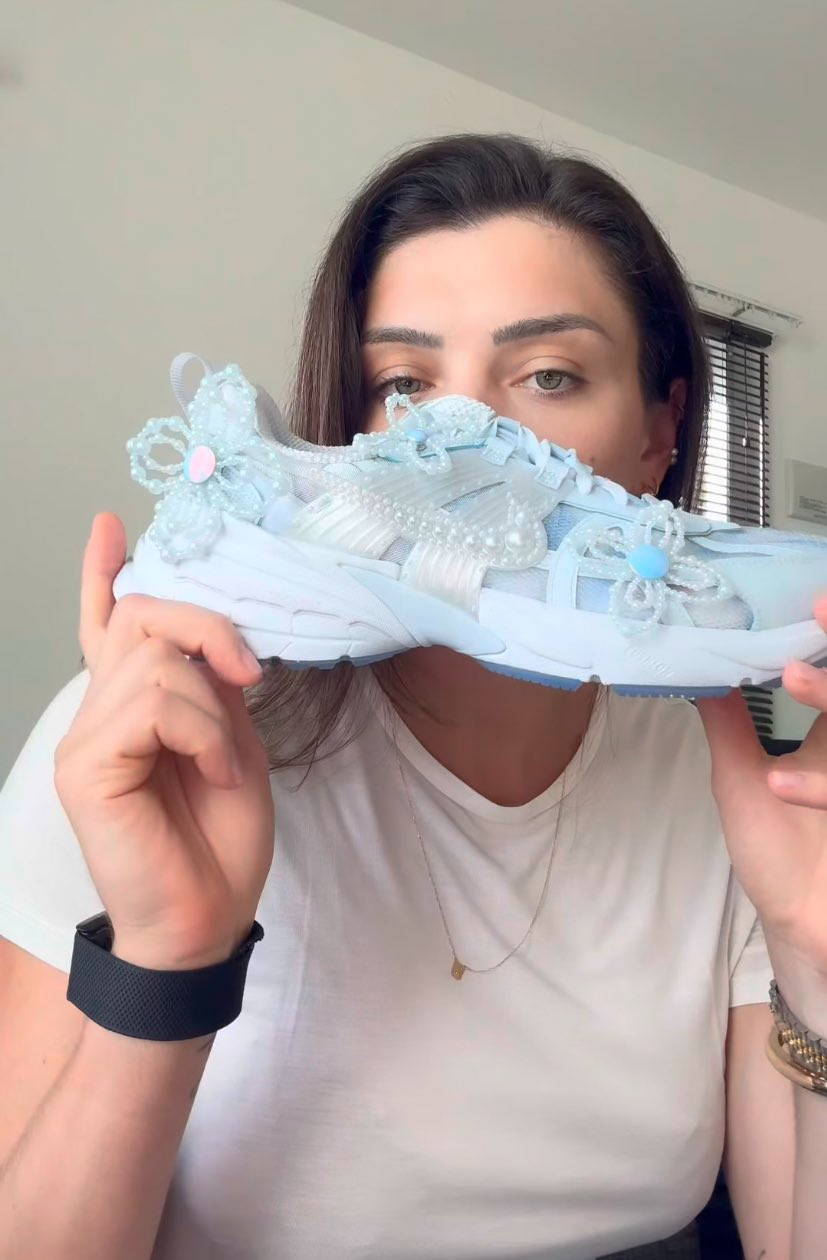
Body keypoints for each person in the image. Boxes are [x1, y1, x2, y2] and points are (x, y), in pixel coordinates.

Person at [2, 132, 827, 1260]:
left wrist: (812, 957)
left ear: (657, 435)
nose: (463, 436)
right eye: (404, 386)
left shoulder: (722, 792)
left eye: (547, 377)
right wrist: (167, 958)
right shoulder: (144, 756)